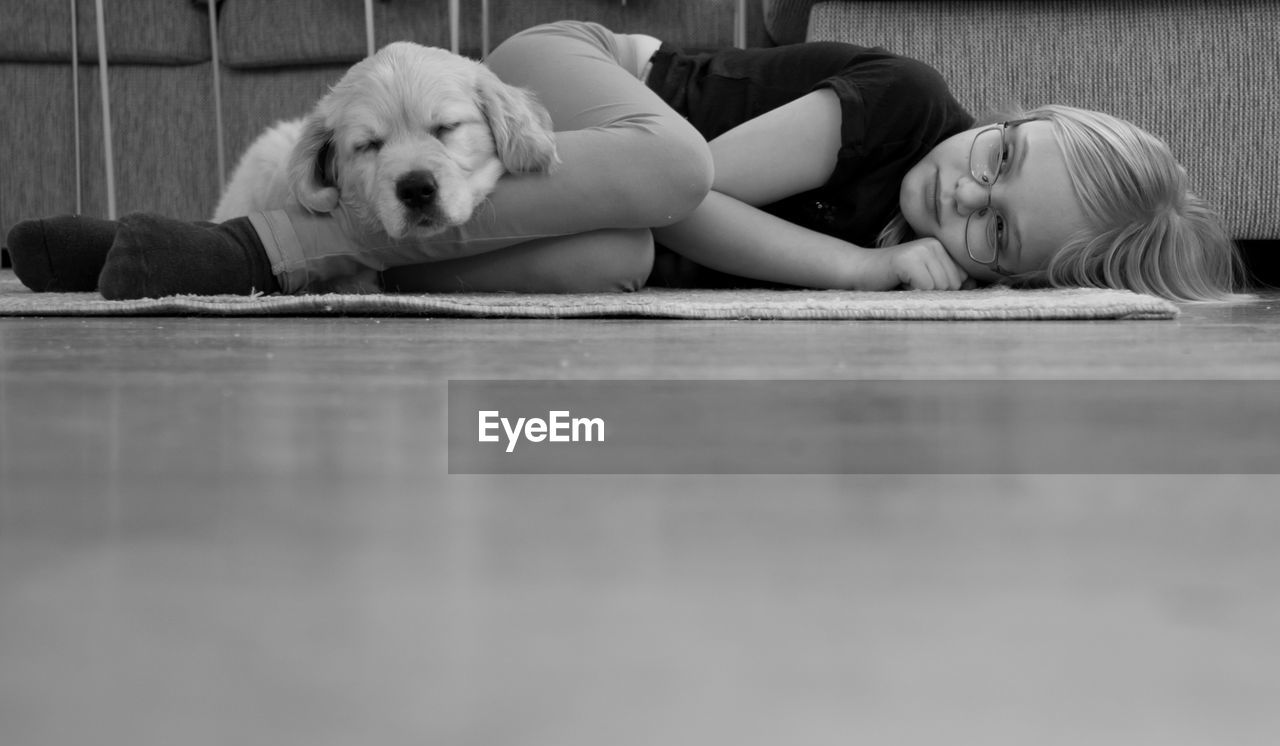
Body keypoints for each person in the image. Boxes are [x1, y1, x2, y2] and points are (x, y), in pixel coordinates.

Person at [5, 20, 1248, 303]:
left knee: (613, 257)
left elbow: (651, 246)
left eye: (992, 232)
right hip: (568, 86)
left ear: (1009, 281)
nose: (963, 192)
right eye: (1003, 156)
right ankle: (249, 247)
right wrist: (865, 277)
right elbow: (692, 185)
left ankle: (329, 271)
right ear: (1007, 109)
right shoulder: (901, 102)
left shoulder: (938, 252)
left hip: (566, 196)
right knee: (661, 199)